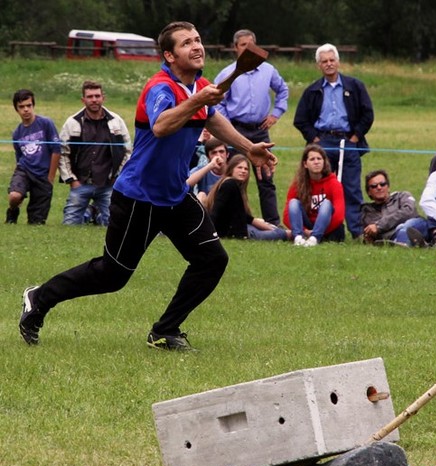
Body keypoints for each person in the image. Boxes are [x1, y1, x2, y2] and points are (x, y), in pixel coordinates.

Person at [18, 21, 278, 351]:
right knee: (112, 276)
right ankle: (39, 297)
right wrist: (198, 101)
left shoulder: (199, 86)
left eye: (198, 40)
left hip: (175, 196)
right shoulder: (160, 87)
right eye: (186, 43)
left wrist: (248, 146)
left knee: (212, 260)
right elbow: (161, 125)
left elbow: (212, 117)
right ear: (169, 55)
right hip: (139, 197)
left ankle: (165, 330)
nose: (196, 46)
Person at [293, 43, 374, 239]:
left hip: (348, 141)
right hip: (323, 143)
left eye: (332, 60)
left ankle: (356, 232)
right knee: (321, 187)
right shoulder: (312, 90)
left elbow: (367, 113)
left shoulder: (355, 86)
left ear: (338, 62)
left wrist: (355, 137)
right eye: (324, 61)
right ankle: (322, 227)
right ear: (318, 65)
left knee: (351, 188)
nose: (329, 64)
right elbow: (300, 120)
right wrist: (315, 140)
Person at [214, 29, 289, 225]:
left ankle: (272, 222)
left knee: (265, 176)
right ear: (235, 48)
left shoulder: (268, 70)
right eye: (242, 45)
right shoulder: (227, 73)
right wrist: (226, 122)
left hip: (260, 129)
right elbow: (217, 100)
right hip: (235, 130)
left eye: (251, 45)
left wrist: (276, 113)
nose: (247, 49)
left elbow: (282, 90)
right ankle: (232, 221)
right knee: (234, 175)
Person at [58, 80, 132, 226]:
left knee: (115, 225)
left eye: (97, 96)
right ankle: (90, 212)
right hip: (81, 183)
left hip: (108, 185)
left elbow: (127, 151)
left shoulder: (116, 122)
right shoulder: (72, 122)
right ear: (83, 99)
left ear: (103, 98)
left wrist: (117, 177)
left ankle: (95, 214)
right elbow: (63, 153)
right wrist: (72, 180)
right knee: (69, 225)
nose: (94, 100)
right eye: (90, 96)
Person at [6, 89, 61, 224]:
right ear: (16, 109)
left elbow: (56, 149)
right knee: (14, 196)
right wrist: (18, 174)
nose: (26, 110)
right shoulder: (17, 133)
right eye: (21, 107)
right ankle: (13, 211)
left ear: (33, 106)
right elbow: (19, 157)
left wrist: (51, 177)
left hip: (43, 175)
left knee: (36, 222)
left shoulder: (46, 123)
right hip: (24, 170)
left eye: (28, 105)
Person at [204, 154, 288, 241]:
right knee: (281, 234)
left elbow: (243, 216)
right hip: (234, 232)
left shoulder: (232, 185)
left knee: (269, 227)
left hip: (239, 228)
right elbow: (217, 209)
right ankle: (295, 234)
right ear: (231, 169)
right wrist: (208, 233)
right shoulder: (230, 184)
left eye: (246, 169)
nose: (243, 171)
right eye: (239, 168)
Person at [283, 144, 345, 247]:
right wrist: (305, 231)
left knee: (326, 204)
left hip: (326, 227)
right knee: (293, 203)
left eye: (319, 159)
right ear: (305, 164)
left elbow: (339, 215)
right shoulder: (298, 184)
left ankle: (314, 239)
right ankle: (298, 238)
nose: (316, 162)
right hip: (307, 225)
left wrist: (319, 231)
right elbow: (287, 215)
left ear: (324, 162)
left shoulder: (334, 184)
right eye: (312, 159)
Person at [361, 169, 428, 247]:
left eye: (382, 184)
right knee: (400, 230)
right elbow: (373, 231)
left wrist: (379, 226)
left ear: (388, 187)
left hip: (415, 225)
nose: (379, 188)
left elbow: (409, 212)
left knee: (405, 227)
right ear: (369, 192)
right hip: (392, 236)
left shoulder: (402, 196)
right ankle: (411, 243)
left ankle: (402, 243)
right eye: (374, 186)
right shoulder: (368, 211)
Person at [187, 137, 228, 202]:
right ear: (208, 157)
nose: (218, 155)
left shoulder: (233, 170)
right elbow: (186, 183)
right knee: (201, 195)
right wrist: (210, 166)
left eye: (221, 152)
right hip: (207, 206)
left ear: (227, 154)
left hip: (226, 206)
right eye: (214, 153)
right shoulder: (203, 169)